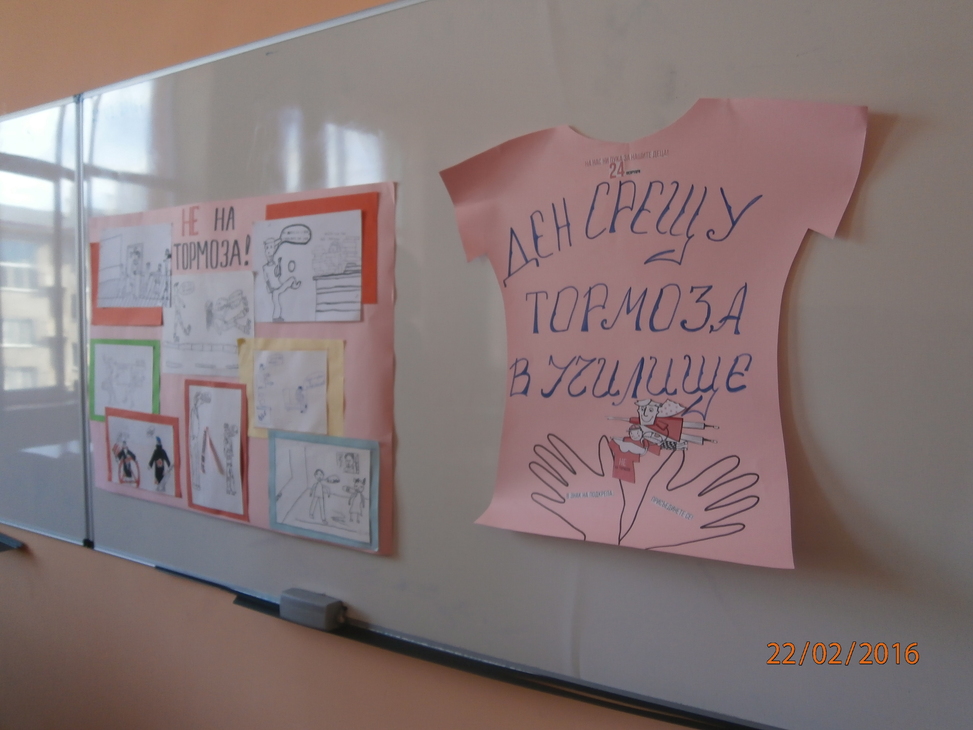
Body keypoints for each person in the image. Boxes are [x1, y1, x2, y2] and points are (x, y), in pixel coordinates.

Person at [261, 237, 300, 321]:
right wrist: (270, 288)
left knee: (291, 279)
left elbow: (277, 274)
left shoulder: (274, 264)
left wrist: (279, 263)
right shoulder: (265, 267)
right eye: (267, 248)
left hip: (279, 286)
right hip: (274, 289)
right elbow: (266, 279)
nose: (270, 256)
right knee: (276, 303)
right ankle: (275, 318)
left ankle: (293, 285)